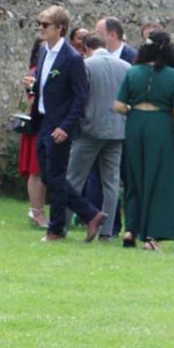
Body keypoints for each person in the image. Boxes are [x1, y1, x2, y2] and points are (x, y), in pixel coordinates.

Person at [28, 5, 106, 243]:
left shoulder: (71, 58)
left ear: (59, 28)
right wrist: (31, 87)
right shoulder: (43, 52)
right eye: (40, 24)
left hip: (59, 125)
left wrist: (66, 126)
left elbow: (81, 97)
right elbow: (45, 89)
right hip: (43, 121)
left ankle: (56, 228)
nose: (41, 29)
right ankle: (90, 214)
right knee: (49, 176)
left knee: (56, 174)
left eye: (45, 25)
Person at [112, 31, 174, 250]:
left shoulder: (133, 72)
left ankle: (130, 229)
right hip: (162, 127)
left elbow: (117, 105)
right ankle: (152, 236)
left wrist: (132, 110)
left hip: (135, 124)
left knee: (135, 178)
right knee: (159, 181)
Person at [66, 33, 128, 234]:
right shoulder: (125, 67)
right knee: (111, 183)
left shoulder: (86, 65)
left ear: (85, 48)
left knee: (74, 179)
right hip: (117, 131)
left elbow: (79, 97)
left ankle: (62, 224)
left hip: (90, 130)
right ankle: (107, 231)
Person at [18, 37, 47, 227]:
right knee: (36, 170)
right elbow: (32, 98)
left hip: (42, 124)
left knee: (41, 171)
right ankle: (35, 210)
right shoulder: (35, 72)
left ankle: (38, 209)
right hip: (37, 124)